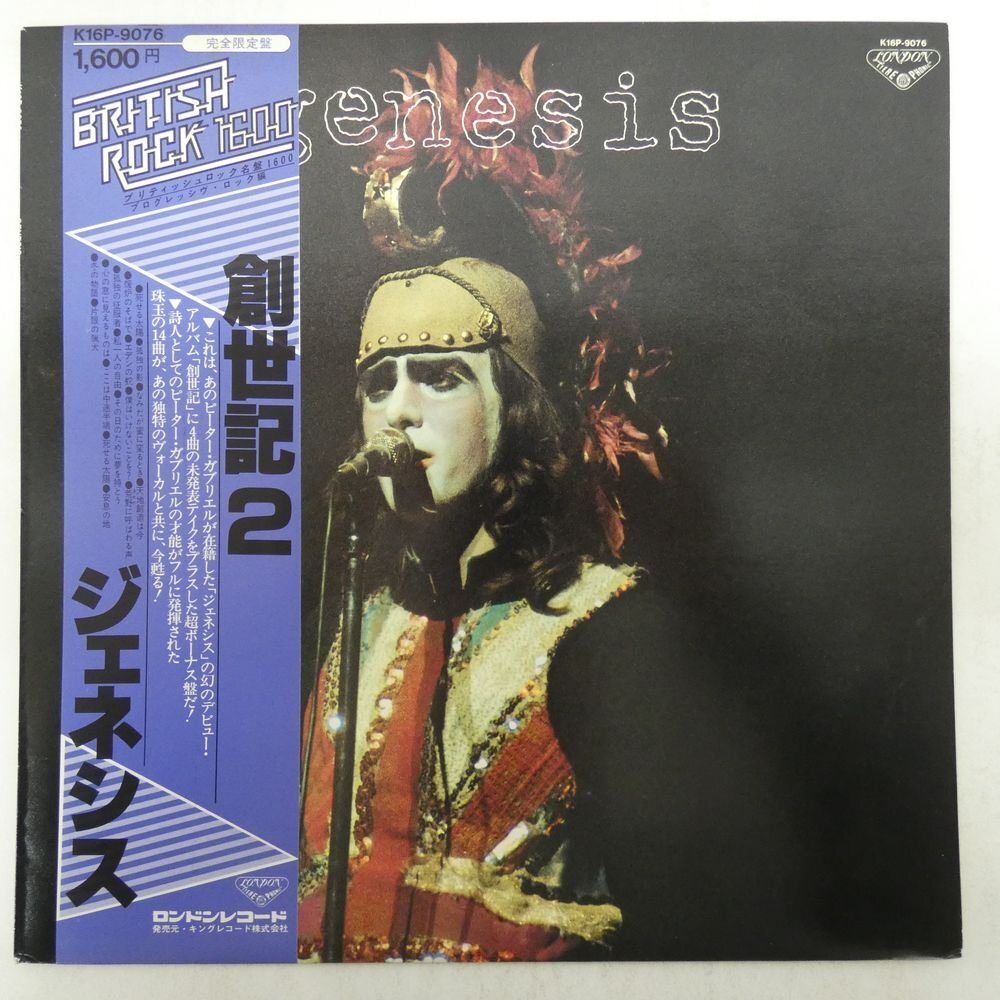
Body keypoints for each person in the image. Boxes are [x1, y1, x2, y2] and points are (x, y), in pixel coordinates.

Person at [296, 257, 810, 962]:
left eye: (439, 377)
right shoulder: (348, 630)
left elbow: (701, 916)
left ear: (515, 410)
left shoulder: (610, 630)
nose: (398, 410)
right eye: (379, 385)